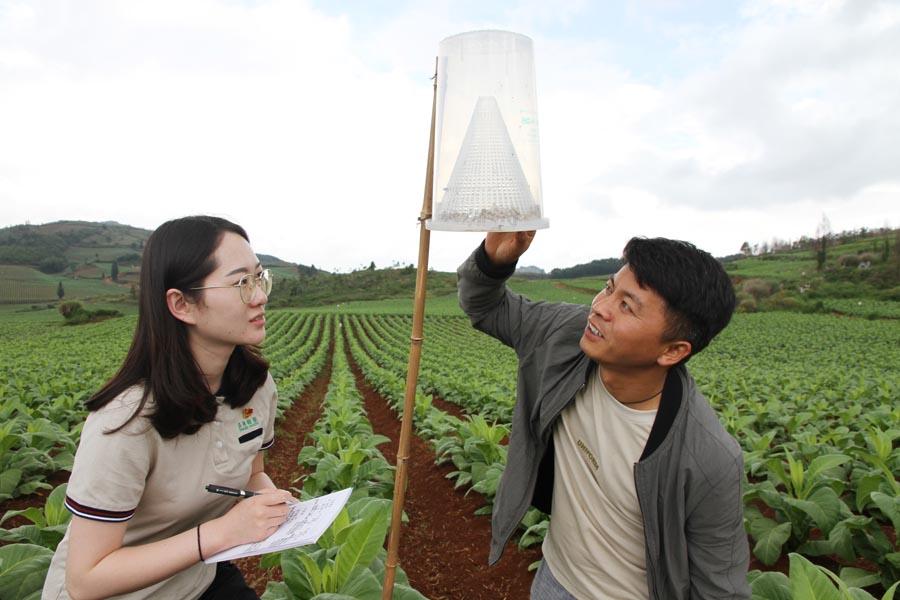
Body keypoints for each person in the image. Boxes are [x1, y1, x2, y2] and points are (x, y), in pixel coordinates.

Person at [457, 231, 750, 600]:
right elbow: (484, 306)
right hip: (553, 578)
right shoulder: (567, 335)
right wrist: (492, 260)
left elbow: (720, 590)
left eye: (627, 305)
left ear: (673, 350)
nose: (600, 306)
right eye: (609, 288)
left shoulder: (709, 459)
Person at [43, 216, 295, 600]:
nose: (259, 295)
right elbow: (86, 578)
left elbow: (252, 475)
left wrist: (276, 505)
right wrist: (222, 533)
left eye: (260, 278)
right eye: (241, 282)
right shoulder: (125, 421)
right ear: (182, 304)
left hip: (195, 578)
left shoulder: (256, 388)